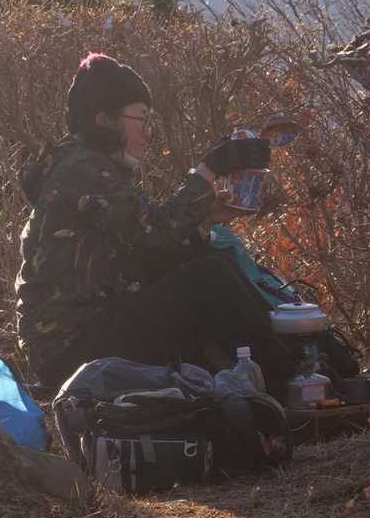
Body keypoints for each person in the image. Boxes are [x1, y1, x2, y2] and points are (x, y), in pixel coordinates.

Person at [15, 53, 295, 393]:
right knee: (209, 277)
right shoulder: (81, 170)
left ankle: (268, 381)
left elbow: (145, 253)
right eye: (141, 120)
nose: (147, 133)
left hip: (87, 335)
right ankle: (290, 384)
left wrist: (205, 219)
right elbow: (156, 230)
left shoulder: (89, 168)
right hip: (70, 350)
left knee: (209, 261)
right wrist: (209, 170)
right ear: (103, 120)